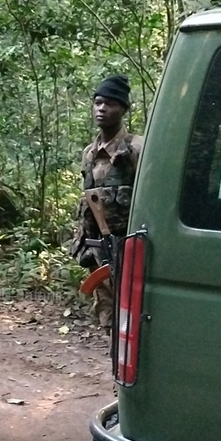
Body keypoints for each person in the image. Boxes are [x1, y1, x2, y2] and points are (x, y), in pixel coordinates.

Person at [69, 75, 144, 327]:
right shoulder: (89, 154)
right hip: (99, 249)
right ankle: (114, 363)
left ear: (123, 108)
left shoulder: (138, 149)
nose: (102, 108)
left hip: (129, 248)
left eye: (110, 103)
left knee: (133, 317)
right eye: (98, 102)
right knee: (108, 316)